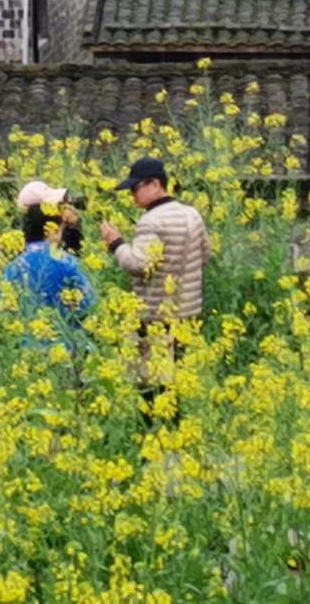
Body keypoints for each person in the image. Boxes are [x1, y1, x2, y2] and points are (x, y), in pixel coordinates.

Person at [100, 156, 210, 422]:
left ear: (155, 184)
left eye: (136, 188)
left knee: (152, 385)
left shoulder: (151, 221)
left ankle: (156, 439)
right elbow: (205, 256)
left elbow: (140, 265)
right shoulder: (191, 214)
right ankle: (175, 438)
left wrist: (116, 244)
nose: (132, 195)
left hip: (156, 316)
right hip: (188, 313)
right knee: (175, 381)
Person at [4, 203, 97, 346]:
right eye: (60, 230)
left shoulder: (13, 266)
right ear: (52, 232)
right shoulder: (67, 262)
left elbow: (7, 311)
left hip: (28, 350)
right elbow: (89, 305)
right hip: (68, 348)